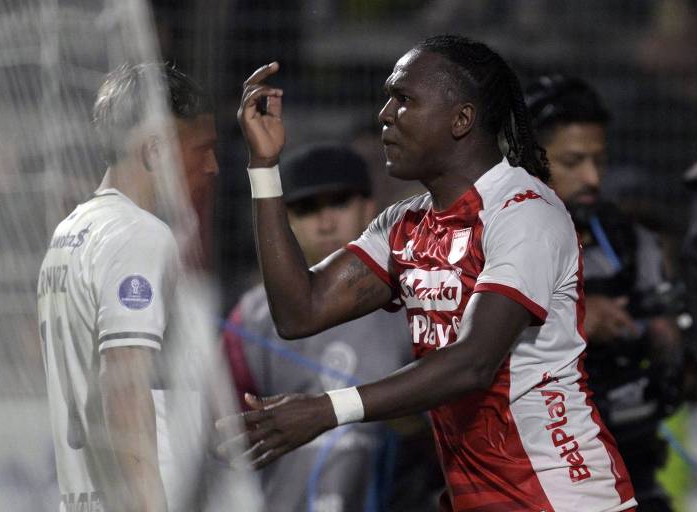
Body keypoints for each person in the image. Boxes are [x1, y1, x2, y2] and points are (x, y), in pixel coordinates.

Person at [220, 34, 637, 511]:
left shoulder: (525, 213)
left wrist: (327, 410)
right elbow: (299, 312)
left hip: (561, 496)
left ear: (461, 119)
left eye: (403, 99)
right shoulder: (406, 225)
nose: (385, 115)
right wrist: (264, 167)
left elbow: (473, 362)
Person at [37, 63, 257, 511]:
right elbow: (123, 384)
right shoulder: (139, 236)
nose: (213, 167)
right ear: (155, 150)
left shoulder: (70, 233)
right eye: (203, 149)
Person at [222, 143, 440, 512]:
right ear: (284, 221)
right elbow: (226, 429)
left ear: (369, 208)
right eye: (306, 209)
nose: (325, 222)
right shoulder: (252, 316)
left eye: (339, 202)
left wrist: (413, 425)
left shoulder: (416, 302)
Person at [525, 75, 684, 511]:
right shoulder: (479, 245)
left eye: (600, 159)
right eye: (573, 162)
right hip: (531, 478)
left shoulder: (631, 242)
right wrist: (575, 319)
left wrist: (666, 346)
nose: (593, 177)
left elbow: (666, 331)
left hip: (632, 468)